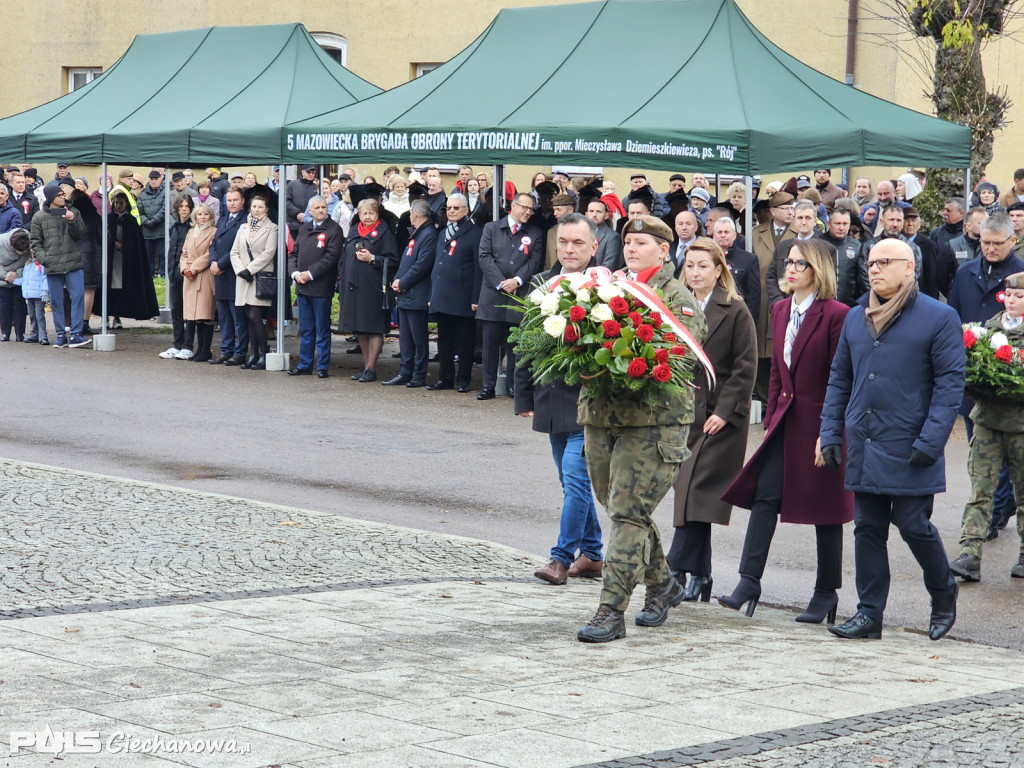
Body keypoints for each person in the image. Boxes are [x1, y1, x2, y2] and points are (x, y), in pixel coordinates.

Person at [821, 238, 963, 641]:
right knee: (867, 526)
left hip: (911, 441)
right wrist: (830, 430)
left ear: (909, 267)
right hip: (865, 439)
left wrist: (931, 440)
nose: (874, 269)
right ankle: (869, 614)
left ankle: (943, 591)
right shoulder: (856, 317)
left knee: (913, 523)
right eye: (871, 263)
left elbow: (950, 384)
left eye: (884, 262)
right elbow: (840, 379)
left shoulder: (939, 317)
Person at [575, 215, 706, 642]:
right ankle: (663, 583)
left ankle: (611, 610)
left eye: (642, 242)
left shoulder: (677, 298)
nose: (631, 248)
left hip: (655, 423)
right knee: (620, 509)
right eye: (628, 241)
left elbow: (682, 356)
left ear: (664, 250)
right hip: (602, 417)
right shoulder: (607, 287)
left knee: (628, 512)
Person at [719, 239, 852, 623]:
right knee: (765, 496)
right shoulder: (780, 309)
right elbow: (777, 372)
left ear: (818, 270)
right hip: (784, 423)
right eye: (787, 262)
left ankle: (826, 592)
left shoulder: (837, 314)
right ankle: (749, 581)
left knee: (826, 509)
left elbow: (840, 377)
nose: (789, 269)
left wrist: (829, 432)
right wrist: (771, 421)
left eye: (799, 263)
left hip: (821, 424)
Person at [667, 237, 757, 602]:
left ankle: (674, 567)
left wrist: (724, 412)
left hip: (721, 418)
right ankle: (701, 575)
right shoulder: (677, 306)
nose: (695, 272)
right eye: (690, 265)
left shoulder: (735, 309)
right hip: (685, 415)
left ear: (719, 270)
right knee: (692, 495)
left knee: (696, 489)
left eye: (703, 266)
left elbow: (745, 367)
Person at [518, 213, 604, 585]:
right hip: (552, 399)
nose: (569, 249)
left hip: (587, 404)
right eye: (563, 242)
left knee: (575, 478)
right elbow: (524, 343)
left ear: (594, 246)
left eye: (578, 243)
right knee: (570, 482)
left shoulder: (606, 288)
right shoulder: (542, 283)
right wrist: (523, 395)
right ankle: (593, 553)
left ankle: (560, 558)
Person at [950, 271, 1024, 581]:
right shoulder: (987, 330)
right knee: (980, 489)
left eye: (1020, 296)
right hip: (987, 422)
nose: (1012, 301)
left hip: (1021, 426)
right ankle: (970, 553)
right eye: (1009, 295)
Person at [476, 192, 545, 400]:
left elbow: (535, 261)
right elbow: (484, 257)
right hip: (493, 294)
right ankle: (488, 386)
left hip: (518, 295)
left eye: (531, 209)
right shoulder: (491, 228)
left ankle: (513, 385)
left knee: (516, 345)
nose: (528, 212)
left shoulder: (535, 233)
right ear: (513, 206)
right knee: (490, 344)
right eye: (524, 207)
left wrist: (517, 280)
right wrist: (501, 282)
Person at [427, 193, 483, 393]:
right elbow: (437, 264)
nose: (451, 211)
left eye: (456, 208)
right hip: (442, 294)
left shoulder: (475, 233)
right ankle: (445, 378)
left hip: (463, 295)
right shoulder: (443, 232)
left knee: (465, 341)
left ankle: (464, 379)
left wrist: (476, 297)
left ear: (466, 210)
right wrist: (432, 294)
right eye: (448, 208)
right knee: (444, 339)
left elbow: (478, 268)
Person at [340, 198, 398, 382]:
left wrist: (372, 258)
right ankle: (366, 366)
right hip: (353, 287)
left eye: (371, 213)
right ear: (358, 214)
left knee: (374, 328)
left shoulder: (385, 233)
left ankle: (371, 368)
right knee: (361, 328)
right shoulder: (353, 231)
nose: (367, 217)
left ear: (377, 214)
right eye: (364, 213)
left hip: (374, 288)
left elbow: (394, 261)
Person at [384, 199, 438, 388]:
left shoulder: (429, 234)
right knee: (405, 337)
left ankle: (419, 374)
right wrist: (397, 280)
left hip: (417, 293)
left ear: (414, 214)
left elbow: (421, 266)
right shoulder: (419, 232)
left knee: (418, 338)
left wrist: (402, 282)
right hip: (406, 293)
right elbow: (406, 261)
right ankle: (405, 371)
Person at [287, 196, 343, 378]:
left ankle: (322, 366)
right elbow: (293, 254)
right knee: (306, 329)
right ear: (309, 210)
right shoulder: (305, 228)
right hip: (302, 287)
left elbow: (331, 257)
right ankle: (305, 364)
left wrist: (310, 274)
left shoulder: (334, 229)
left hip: (321, 288)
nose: (320, 210)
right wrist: (295, 273)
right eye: (317, 208)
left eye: (323, 207)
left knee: (322, 329)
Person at [750, 192, 798, 401]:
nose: (790, 212)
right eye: (785, 208)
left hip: (787, 296)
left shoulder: (798, 233)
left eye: (792, 208)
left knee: (782, 347)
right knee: (761, 347)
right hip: (761, 297)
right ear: (773, 211)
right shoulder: (756, 233)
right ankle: (763, 398)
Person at [29, 184, 89, 348]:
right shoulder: (39, 217)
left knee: (78, 297)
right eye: (59, 195)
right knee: (56, 301)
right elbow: (35, 242)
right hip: (52, 265)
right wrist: (45, 259)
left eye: (63, 194)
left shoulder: (73, 211)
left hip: (73, 262)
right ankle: (61, 335)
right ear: (50, 198)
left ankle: (76, 334)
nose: (63, 197)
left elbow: (81, 234)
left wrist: (72, 220)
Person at [229, 194, 277, 371]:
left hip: (260, 276)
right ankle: (254, 354)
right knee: (248, 317)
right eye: (254, 206)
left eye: (260, 207)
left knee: (255, 316)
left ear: (266, 209)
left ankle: (264, 353)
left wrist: (249, 269)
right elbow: (234, 252)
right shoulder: (243, 227)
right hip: (243, 277)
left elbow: (269, 252)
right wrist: (241, 270)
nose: (256, 210)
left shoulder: (272, 228)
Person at [107, 191, 160, 323]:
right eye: (116, 203)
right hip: (111, 260)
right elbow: (104, 238)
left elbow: (136, 242)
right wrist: (112, 243)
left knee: (123, 287)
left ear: (126, 204)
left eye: (121, 203)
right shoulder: (109, 219)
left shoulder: (131, 221)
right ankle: (108, 315)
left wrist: (125, 245)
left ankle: (118, 316)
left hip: (127, 261)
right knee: (110, 287)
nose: (118, 205)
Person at [209, 188, 248, 365]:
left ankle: (240, 352)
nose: (232, 203)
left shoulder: (244, 220)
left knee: (238, 317)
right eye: (229, 200)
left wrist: (220, 264)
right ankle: (226, 350)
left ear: (242, 201)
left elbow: (238, 247)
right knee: (224, 316)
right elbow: (214, 243)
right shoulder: (223, 219)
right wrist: (212, 261)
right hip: (220, 274)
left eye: (235, 200)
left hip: (234, 273)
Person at [161, 194, 194, 359]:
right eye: (181, 206)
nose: (184, 209)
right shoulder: (173, 226)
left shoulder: (193, 227)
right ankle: (177, 343)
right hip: (174, 272)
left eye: (187, 206)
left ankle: (188, 345)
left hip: (188, 273)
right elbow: (172, 250)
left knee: (189, 311)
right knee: (176, 310)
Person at [0, 229, 29, 341]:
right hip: (3, 280)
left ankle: (20, 333)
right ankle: (5, 333)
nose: (24, 252)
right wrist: (7, 275)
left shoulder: (28, 240)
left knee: (20, 306)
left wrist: (16, 276)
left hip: (19, 278)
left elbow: (27, 262)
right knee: (4, 307)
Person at [138, 170, 166, 276]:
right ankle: (149, 276)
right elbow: (139, 211)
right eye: (152, 179)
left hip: (161, 230)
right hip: (147, 231)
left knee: (163, 255)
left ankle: (163, 276)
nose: (154, 181)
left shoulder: (165, 192)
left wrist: (154, 221)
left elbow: (165, 209)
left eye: (156, 179)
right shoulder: (143, 194)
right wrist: (146, 221)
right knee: (148, 256)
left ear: (160, 180)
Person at [20, 243, 48, 345]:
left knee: (39, 316)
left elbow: (45, 278)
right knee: (32, 315)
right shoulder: (27, 265)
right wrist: (13, 280)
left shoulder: (41, 265)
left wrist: (45, 291)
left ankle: (43, 336)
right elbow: (25, 280)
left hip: (39, 295)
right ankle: (34, 334)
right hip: (29, 295)